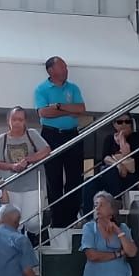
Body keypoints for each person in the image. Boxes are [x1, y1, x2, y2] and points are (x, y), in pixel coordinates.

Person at [34, 56, 89, 230]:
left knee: (74, 177)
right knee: (54, 179)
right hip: (50, 136)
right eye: (62, 67)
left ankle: (71, 217)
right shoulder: (41, 89)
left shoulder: (73, 88)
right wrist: (67, 109)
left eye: (66, 67)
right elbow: (43, 113)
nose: (66, 70)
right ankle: (58, 221)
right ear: (51, 71)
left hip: (72, 134)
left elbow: (80, 109)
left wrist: (58, 107)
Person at [0, 107, 51, 236]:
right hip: (12, 186)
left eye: (20, 119)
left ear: (25, 121)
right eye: (14, 119)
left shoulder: (32, 134)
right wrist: (13, 166)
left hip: (33, 185)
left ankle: (32, 244)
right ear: (8, 120)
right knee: (13, 222)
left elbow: (46, 150)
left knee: (33, 221)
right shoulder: (2, 138)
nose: (17, 123)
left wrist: (29, 160)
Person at [91, 114, 139, 202]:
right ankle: (89, 214)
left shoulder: (137, 137)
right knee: (90, 181)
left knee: (111, 172)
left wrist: (122, 139)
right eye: (120, 122)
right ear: (114, 124)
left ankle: (115, 203)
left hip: (131, 176)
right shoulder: (109, 139)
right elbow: (105, 158)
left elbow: (127, 154)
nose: (124, 124)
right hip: (113, 173)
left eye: (127, 122)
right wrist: (119, 165)